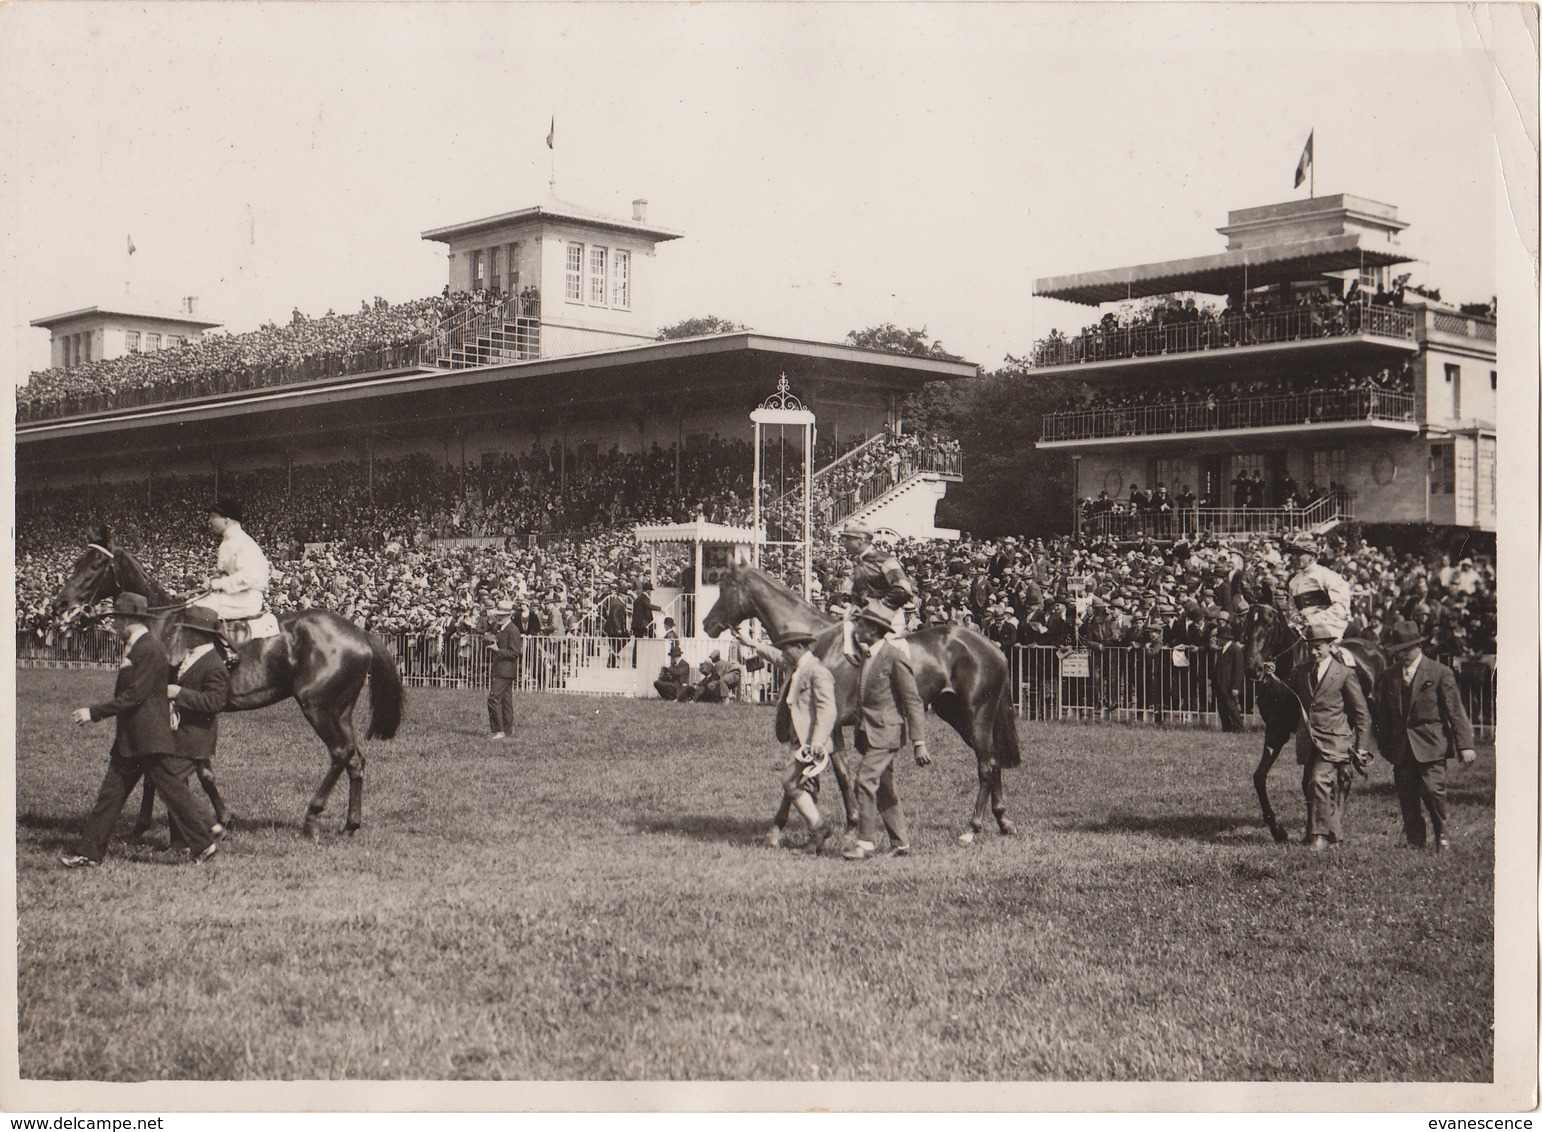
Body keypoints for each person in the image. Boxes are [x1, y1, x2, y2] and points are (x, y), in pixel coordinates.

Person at [62, 594, 220, 868]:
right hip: (136, 737)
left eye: (116, 620)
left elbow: (135, 695)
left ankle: (203, 842)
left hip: (147, 737)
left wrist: (94, 712)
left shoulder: (148, 649)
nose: (113, 626)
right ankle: (89, 852)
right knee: (114, 796)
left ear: (127, 620)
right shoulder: (140, 647)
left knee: (170, 793)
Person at [1371, 620, 1477, 851]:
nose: (1403, 655)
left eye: (1407, 650)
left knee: (1433, 791)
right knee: (1407, 794)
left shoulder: (1439, 673)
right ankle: (1414, 839)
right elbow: (1383, 715)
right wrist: (1385, 745)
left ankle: (1442, 836)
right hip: (1401, 747)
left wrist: (1465, 745)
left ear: (1419, 646)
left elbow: (1455, 711)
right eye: (1398, 651)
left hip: (1431, 744)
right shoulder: (1390, 675)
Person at [843, 600, 930, 861]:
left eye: (861, 624)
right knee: (883, 787)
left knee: (865, 780)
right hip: (869, 732)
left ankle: (865, 842)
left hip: (887, 732)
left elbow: (912, 700)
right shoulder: (867, 655)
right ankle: (901, 843)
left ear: (872, 629)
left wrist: (919, 741)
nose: (856, 627)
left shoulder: (894, 656)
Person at [1289, 623, 1372, 850]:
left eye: (1319, 648)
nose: (1314, 652)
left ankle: (1319, 836)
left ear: (1330, 646)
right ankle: (1333, 834)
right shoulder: (1302, 672)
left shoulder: (1345, 674)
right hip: (1310, 740)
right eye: (1310, 648)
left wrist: (1362, 746)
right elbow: (1286, 691)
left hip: (1336, 741)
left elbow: (1362, 714)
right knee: (1310, 784)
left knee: (1319, 780)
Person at [764, 630, 840, 855]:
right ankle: (816, 835)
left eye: (786, 649)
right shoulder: (798, 667)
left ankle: (819, 829)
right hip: (800, 740)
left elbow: (828, 709)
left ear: (798, 647)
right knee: (798, 785)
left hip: (810, 744)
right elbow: (774, 656)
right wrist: (749, 642)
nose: (783, 654)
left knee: (790, 782)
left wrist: (817, 741)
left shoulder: (818, 672)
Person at [165, 605, 233, 842]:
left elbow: (214, 702)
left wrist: (178, 693)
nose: (183, 635)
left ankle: (209, 826)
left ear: (199, 633)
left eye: (187, 631)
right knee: (174, 784)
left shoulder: (214, 664)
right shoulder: (191, 656)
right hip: (183, 734)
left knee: (170, 782)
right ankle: (178, 841)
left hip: (196, 737)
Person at [191, 499, 271, 659]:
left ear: (226, 519)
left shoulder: (242, 542)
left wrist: (219, 583)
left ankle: (227, 652)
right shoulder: (229, 541)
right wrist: (213, 580)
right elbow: (227, 572)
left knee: (197, 610)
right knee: (193, 603)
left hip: (246, 598)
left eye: (213, 516)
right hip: (235, 595)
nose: (209, 521)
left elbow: (247, 577)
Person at [838, 522, 914, 662]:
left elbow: (904, 589)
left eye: (848, 538)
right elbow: (858, 593)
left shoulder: (885, 560)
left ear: (861, 540)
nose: (844, 543)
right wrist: (855, 604)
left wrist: (877, 608)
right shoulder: (858, 562)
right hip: (865, 620)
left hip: (888, 619)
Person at [1284, 536, 1353, 644]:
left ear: (1312, 555)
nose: (1294, 557)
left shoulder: (1328, 576)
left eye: (1299, 554)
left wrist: (1312, 620)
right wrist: (1299, 620)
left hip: (1330, 627)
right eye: (1293, 554)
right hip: (1302, 629)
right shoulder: (1293, 582)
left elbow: (1340, 608)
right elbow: (1292, 610)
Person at [483, 599, 522, 740]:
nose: (498, 617)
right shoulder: (502, 628)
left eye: (500, 615)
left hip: (505, 670)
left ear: (507, 616)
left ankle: (498, 730)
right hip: (502, 669)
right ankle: (507, 731)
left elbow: (515, 653)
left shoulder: (513, 630)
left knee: (493, 698)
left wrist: (497, 650)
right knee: (506, 702)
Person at [1210, 614, 1247, 733]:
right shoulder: (1223, 649)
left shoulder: (1235, 650)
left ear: (1224, 639)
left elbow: (1238, 670)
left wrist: (1236, 686)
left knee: (1231, 707)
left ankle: (1239, 728)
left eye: (1218, 639)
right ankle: (1227, 728)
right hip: (1221, 683)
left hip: (1229, 685)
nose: (1217, 641)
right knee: (1222, 707)